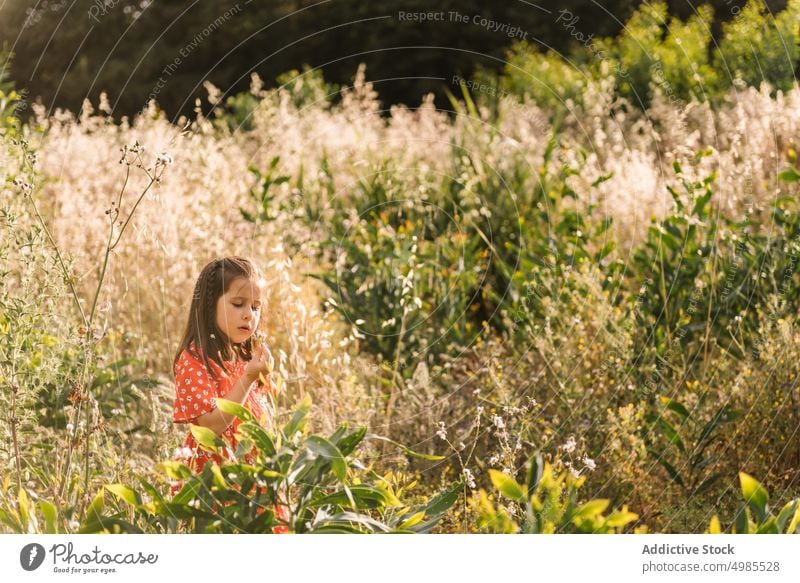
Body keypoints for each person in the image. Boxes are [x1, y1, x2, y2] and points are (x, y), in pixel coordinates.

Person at [169, 256, 290, 533]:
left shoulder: (243, 355)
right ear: (210, 305)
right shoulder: (194, 360)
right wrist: (248, 378)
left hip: (255, 477)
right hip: (216, 482)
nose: (249, 315)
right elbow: (210, 426)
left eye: (256, 307)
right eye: (238, 304)